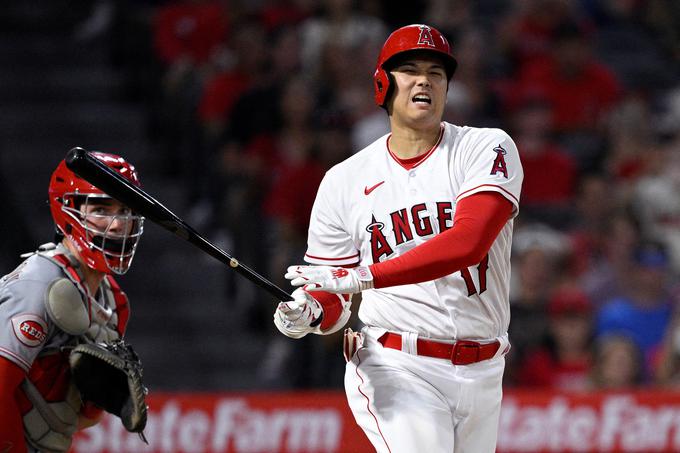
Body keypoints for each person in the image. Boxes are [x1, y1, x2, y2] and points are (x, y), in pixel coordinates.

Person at [273, 24, 523, 452]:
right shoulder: (342, 181)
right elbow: (335, 301)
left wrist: (361, 278)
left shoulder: (486, 148)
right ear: (382, 84)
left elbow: (469, 243)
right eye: (409, 69)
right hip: (397, 364)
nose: (424, 79)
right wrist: (311, 312)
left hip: (485, 369)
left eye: (436, 72)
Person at [0, 152, 144, 452]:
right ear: (68, 209)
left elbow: (74, 418)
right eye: (102, 209)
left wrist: (98, 399)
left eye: (125, 209)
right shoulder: (39, 284)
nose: (117, 225)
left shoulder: (115, 302)